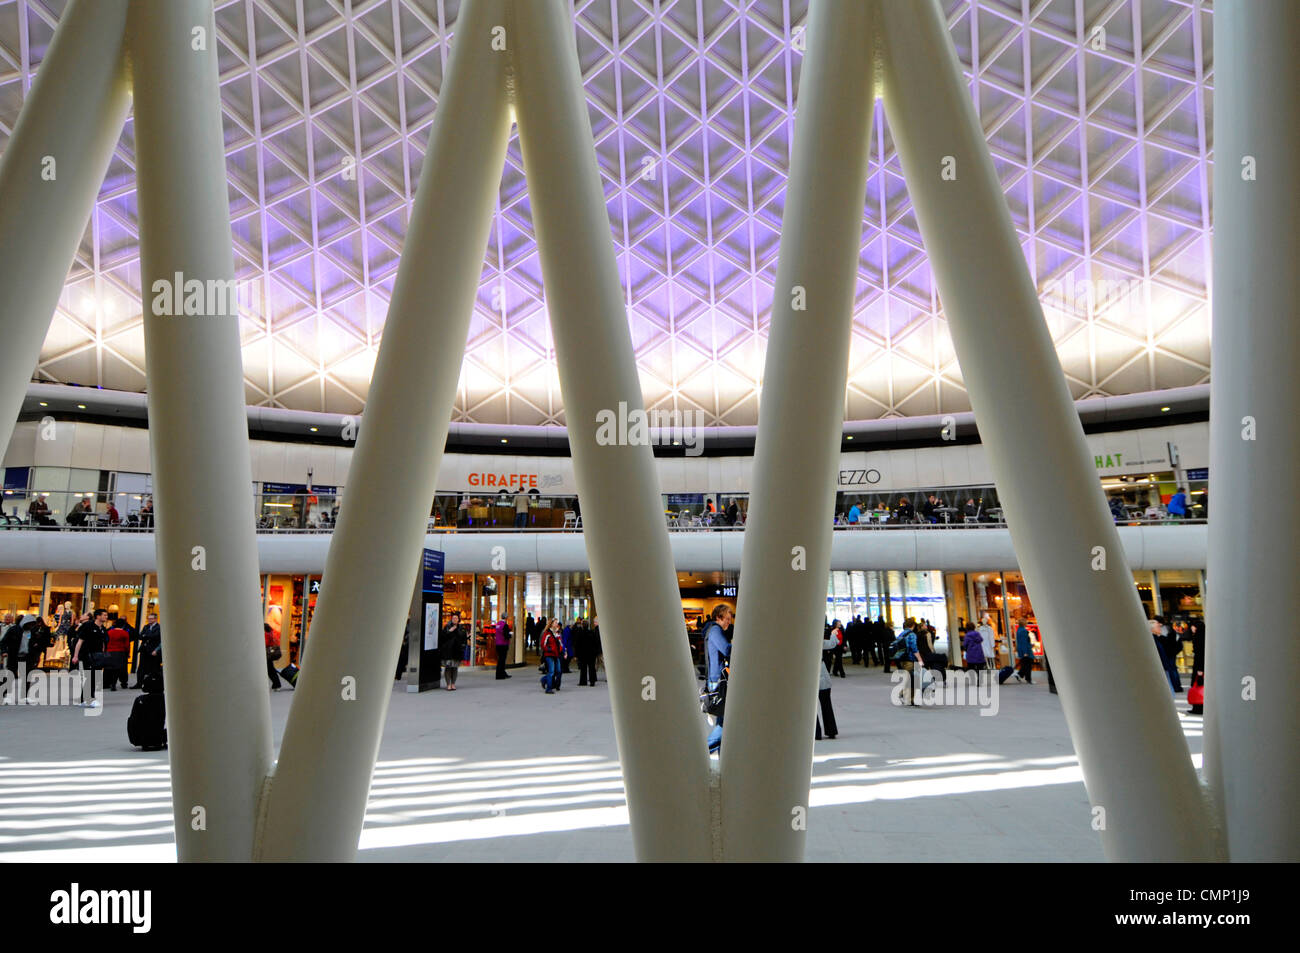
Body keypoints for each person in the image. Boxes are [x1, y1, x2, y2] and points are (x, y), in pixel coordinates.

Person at [703, 605, 733, 752]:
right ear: (718, 617)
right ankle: (700, 753)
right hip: (718, 680)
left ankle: (723, 761)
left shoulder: (712, 630)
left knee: (723, 721)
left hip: (716, 679)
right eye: (727, 619)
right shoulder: (715, 630)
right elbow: (726, 649)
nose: (729, 622)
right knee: (724, 724)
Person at [71, 609, 108, 707]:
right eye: (104, 615)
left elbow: (103, 643)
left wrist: (103, 654)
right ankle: (89, 698)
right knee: (89, 676)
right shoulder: (88, 626)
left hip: (98, 656)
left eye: (106, 615)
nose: (106, 617)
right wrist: (75, 655)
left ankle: (86, 698)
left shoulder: (103, 629)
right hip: (87, 655)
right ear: (98, 616)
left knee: (96, 677)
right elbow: (80, 641)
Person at [891, 619, 923, 705]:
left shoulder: (902, 634)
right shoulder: (912, 634)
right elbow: (914, 648)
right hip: (910, 659)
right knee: (911, 679)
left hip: (902, 659)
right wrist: (920, 659)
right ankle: (903, 694)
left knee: (910, 679)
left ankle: (911, 698)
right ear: (913, 625)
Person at [816, 627, 839, 740]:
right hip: (822, 676)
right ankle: (831, 730)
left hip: (807, 679)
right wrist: (833, 634)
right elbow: (832, 644)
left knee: (810, 708)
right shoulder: (817, 641)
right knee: (826, 705)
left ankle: (815, 733)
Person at [438, 611, 467, 691]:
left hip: (457, 650)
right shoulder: (447, 626)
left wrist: (456, 630)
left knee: (455, 668)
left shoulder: (461, 628)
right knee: (448, 667)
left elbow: (463, 637)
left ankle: (453, 683)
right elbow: (442, 637)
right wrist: (449, 631)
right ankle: (448, 684)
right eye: (453, 618)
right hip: (448, 650)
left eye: (456, 618)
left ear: (458, 619)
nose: (454, 619)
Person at [133, 612, 162, 687]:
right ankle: (139, 683)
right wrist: (147, 636)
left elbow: (155, 636)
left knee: (153, 668)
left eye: (151, 618)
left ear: (155, 619)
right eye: (148, 618)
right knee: (141, 668)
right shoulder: (146, 627)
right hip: (144, 649)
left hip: (153, 650)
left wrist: (146, 635)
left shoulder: (159, 627)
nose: (149, 620)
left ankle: (152, 684)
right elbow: (140, 636)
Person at [102, 615, 130, 691]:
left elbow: (105, 642)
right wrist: (127, 653)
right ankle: (120, 683)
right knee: (119, 668)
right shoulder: (124, 633)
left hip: (109, 651)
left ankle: (107, 683)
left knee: (108, 668)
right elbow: (127, 645)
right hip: (120, 652)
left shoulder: (109, 632)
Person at [540, 619, 563, 693]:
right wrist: (549, 649)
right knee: (551, 671)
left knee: (559, 671)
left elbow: (560, 643)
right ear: (551, 624)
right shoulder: (547, 633)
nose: (557, 624)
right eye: (555, 622)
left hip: (556, 654)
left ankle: (545, 680)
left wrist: (562, 650)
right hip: (549, 655)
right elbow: (543, 644)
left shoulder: (557, 633)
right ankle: (549, 688)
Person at [575, 617, 599, 686]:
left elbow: (577, 644)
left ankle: (583, 681)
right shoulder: (592, 632)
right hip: (591, 653)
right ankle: (592, 681)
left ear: (582, 625)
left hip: (583, 654)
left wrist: (576, 654)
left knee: (583, 668)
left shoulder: (580, 634)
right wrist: (595, 652)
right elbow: (595, 643)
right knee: (592, 667)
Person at [265, 623, 282, 690]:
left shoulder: (266, 634)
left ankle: (277, 684)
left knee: (270, 670)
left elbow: (266, 643)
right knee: (271, 669)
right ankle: (276, 684)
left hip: (267, 654)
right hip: (270, 653)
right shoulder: (272, 633)